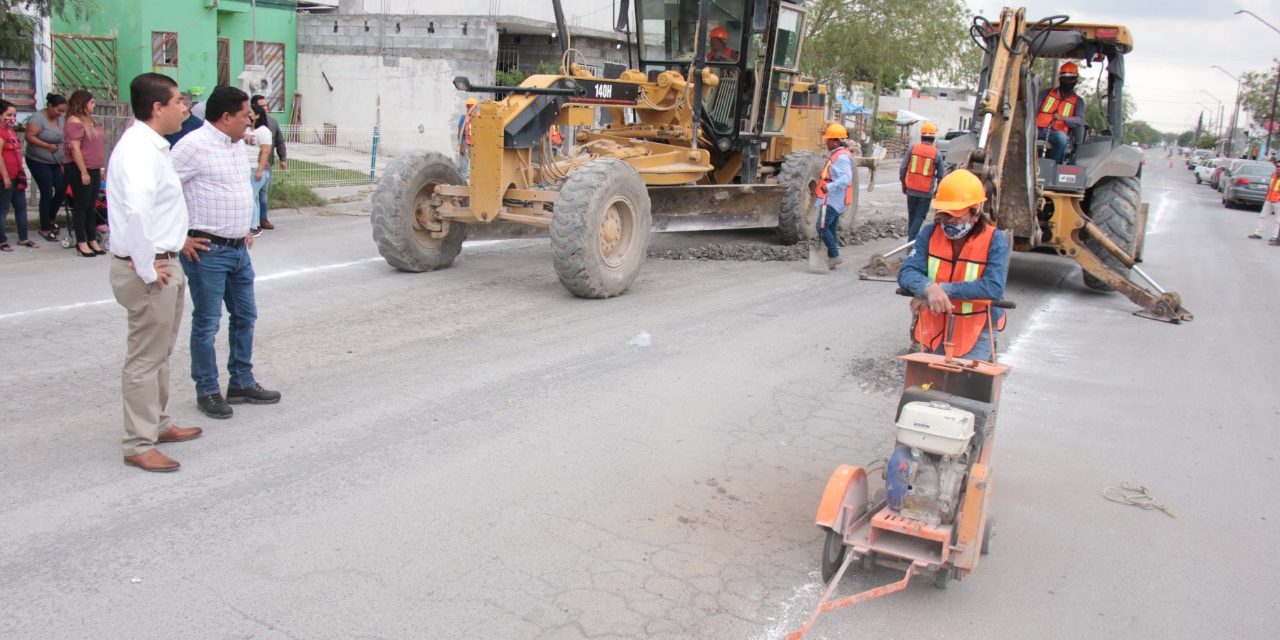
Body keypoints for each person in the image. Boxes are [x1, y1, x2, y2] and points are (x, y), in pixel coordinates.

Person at [106, 72, 203, 472]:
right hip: (149, 268)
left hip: (163, 261)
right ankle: (138, 442)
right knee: (145, 358)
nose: (186, 107)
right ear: (157, 107)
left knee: (160, 352)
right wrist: (147, 269)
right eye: (180, 100)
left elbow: (158, 211)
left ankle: (158, 423)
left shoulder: (153, 147)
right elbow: (137, 213)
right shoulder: (139, 152)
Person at [172, 85, 281, 420]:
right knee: (207, 323)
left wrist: (245, 227)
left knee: (245, 316)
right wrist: (179, 238)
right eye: (245, 114)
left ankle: (241, 382)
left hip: (238, 249)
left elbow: (235, 189)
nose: (250, 119)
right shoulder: (193, 146)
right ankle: (207, 389)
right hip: (207, 251)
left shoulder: (234, 144)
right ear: (225, 117)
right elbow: (162, 192)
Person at [898, 169, 1010, 362]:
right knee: (927, 386)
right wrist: (927, 287)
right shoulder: (930, 233)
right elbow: (907, 272)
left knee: (964, 386)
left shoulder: (994, 240)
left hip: (976, 329)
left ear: (976, 212)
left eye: (955, 216)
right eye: (944, 215)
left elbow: (993, 287)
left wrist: (942, 290)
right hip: (936, 327)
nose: (948, 222)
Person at [65, 89, 107, 257]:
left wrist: (101, 167)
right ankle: (81, 242)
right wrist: (83, 171)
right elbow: (75, 148)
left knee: (91, 206)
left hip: (94, 167)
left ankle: (92, 240)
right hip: (80, 168)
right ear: (82, 103)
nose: (94, 105)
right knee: (81, 206)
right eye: (91, 102)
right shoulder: (74, 122)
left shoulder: (89, 120)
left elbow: (95, 146)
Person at [24, 93, 67, 243]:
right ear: (49, 106)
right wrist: (47, 146)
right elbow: (29, 137)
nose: (61, 114)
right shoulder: (37, 118)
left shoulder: (61, 119)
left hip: (56, 161)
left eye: (63, 111)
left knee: (61, 188)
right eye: (59, 110)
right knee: (47, 191)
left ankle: (50, 217)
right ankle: (45, 227)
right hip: (38, 160)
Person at [814, 122, 854, 269]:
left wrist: (828, 186)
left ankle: (834, 255)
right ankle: (832, 257)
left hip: (833, 198)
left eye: (828, 140)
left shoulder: (841, 157)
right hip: (833, 198)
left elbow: (845, 178)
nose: (826, 142)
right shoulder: (838, 154)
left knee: (821, 227)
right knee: (829, 227)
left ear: (836, 141)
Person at [900, 121, 946, 241]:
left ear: (921, 136)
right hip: (925, 192)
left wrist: (904, 184)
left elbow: (903, 168)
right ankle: (911, 242)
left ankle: (910, 241)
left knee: (912, 215)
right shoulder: (937, 153)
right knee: (919, 216)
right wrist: (937, 190)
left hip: (911, 189)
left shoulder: (913, 148)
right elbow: (941, 175)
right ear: (933, 137)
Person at [1, 99, 35, 251]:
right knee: (3, 209)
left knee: (21, 207)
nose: (12, 118)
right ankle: (1, 240)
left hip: (17, 176)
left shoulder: (11, 131)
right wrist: (6, 177)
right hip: (5, 178)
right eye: (9, 114)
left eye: (14, 114)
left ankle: (23, 238)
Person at [1036, 61, 1086, 164]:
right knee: (1023, 134)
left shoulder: (1078, 101)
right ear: (1060, 79)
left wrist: (1063, 118)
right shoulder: (1047, 93)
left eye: (1071, 79)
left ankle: (1054, 165)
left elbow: (1079, 120)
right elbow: (1033, 109)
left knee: (1062, 139)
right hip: (1037, 129)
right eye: (1065, 78)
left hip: (1056, 133)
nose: (1068, 81)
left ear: (1075, 80)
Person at [250, 94, 286, 230]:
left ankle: (262, 219)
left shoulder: (272, 123)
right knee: (252, 195)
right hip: (251, 165)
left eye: (266, 105)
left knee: (263, 194)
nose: (265, 108)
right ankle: (254, 223)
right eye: (262, 106)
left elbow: (280, 141)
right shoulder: (248, 126)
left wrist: (283, 158)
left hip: (266, 165)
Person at [246, 102, 273, 237]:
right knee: (254, 198)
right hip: (247, 168)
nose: (247, 115)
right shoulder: (247, 130)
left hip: (256, 169)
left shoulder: (264, 132)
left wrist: (259, 171)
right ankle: (255, 225)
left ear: (257, 115)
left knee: (249, 197)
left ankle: (253, 227)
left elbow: (265, 152)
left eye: (250, 113)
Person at [1250, 158, 1280, 243]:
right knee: (1263, 216)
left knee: (1278, 220)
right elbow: (1270, 187)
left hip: (1278, 201)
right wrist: (1266, 196)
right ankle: (1258, 233)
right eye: (1277, 166)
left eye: (1279, 167)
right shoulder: (1273, 175)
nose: (1278, 168)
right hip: (1269, 199)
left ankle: (1275, 237)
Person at [457, 97, 477, 176]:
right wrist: (461, 145)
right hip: (465, 143)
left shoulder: (479, 118)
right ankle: (463, 185)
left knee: (476, 169)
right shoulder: (464, 117)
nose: (470, 108)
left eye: (472, 106)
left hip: (475, 145)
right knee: (463, 170)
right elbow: (460, 132)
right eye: (468, 106)